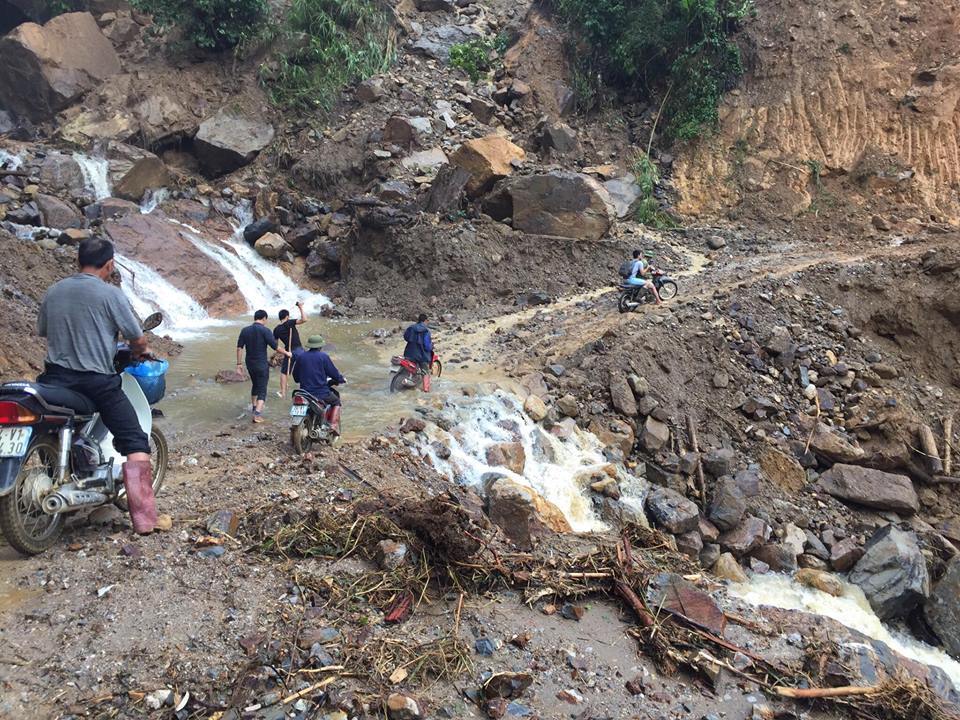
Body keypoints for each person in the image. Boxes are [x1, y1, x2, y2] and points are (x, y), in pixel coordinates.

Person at [36, 237, 158, 534]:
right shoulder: (110, 294)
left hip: (53, 378)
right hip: (96, 382)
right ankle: (144, 520)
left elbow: (43, 330)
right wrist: (140, 351)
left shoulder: (54, 291)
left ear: (79, 261)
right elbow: (137, 337)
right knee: (135, 441)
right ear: (109, 264)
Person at [237, 310, 290, 423]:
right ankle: (257, 415)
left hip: (249, 363)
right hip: (261, 364)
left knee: (255, 385)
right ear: (264, 318)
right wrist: (286, 353)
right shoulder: (265, 331)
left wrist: (239, 364)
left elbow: (239, 348)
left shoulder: (245, 330)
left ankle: (254, 407)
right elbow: (275, 346)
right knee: (262, 389)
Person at [292, 336, 346, 435]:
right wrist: (340, 379)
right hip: (320, 393)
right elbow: (333, 372)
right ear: (320, 346)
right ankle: (333, 425)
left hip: (304, 393)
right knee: (336, 401)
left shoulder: (301, 357)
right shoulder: (323, 357)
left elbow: (295, 376)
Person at [273, 301, 307, 398]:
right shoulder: (289, 323)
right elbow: (304, 319)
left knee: (284, 373)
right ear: (287, 316)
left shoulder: (276, 329)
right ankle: (304, 392)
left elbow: (275, 345)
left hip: (288, 352)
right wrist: (300, 307)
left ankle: (283, 393)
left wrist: (278, 354)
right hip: (299, 350)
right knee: (304, 370)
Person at [403, 313, 434, 392]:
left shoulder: (411, 328)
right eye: (427, 321)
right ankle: (426, 390)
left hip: (409, 353)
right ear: (425, 321)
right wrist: (431, 346)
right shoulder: (426, 331)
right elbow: (427, 346)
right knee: (426, 371)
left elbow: (406, 337)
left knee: (410, 367)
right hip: (421, 355)